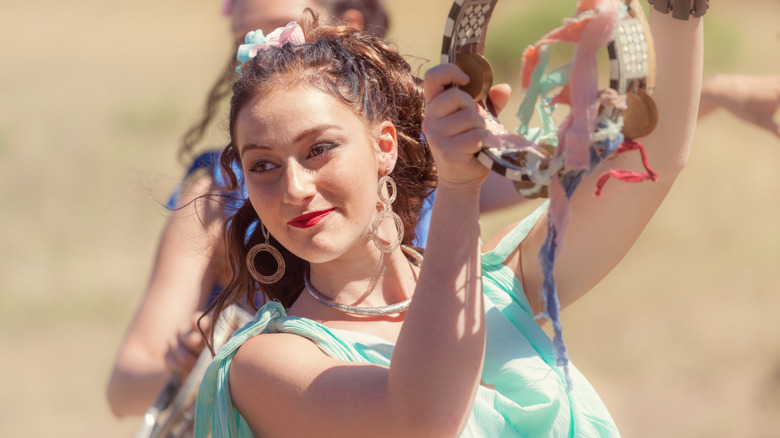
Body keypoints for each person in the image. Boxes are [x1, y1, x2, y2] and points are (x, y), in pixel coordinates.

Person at [193, 4, 702, 436]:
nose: (295, 188)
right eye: (263, 165)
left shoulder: (503, 288)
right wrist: (460, 185)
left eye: (319, 149)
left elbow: (650, 162)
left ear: (384, 147)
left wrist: (680, 12)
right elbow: (420, 420)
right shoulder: (264, 366)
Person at [106, 0, 393, 418]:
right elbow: (124, 387)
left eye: (278, 29)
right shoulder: (218, 193)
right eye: (242, 39)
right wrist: (206, 364)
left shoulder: (427, 161)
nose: (257, 51)